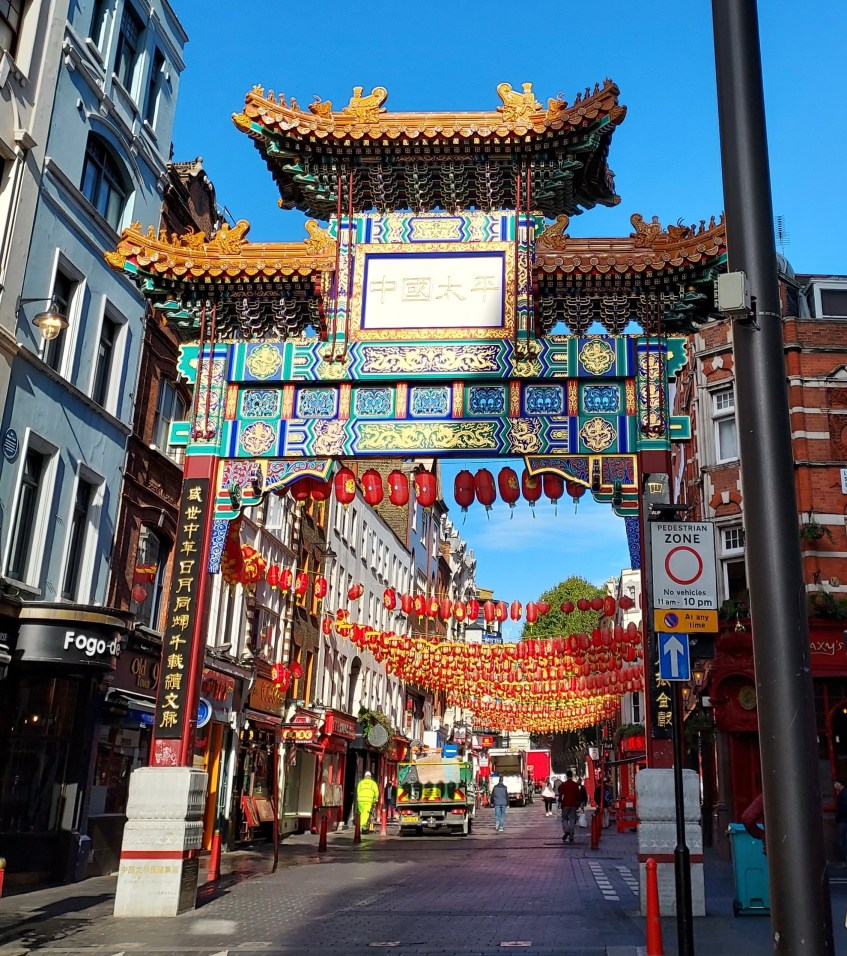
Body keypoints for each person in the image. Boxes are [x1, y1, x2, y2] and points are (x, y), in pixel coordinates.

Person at [558, 770, 583, 843]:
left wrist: (560, 801)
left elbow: (560, 794)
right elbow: (578, 795)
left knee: (564, 818)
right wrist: (579, 802)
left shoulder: (564, 784)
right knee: (572, 820)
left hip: (565, 803)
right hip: (573, 804)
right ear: (572, 776)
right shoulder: (575, 785)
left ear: (566, 776)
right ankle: (571, 836)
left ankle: (567, 830)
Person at [834, 779, 847, 863]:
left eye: (836, 783)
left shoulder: (844, 793)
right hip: (843, 819)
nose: (834, 786)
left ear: (841, 784)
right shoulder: (843, 793)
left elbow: (844, 807)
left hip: (844, 820)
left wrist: (838, 815)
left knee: (843, 840)